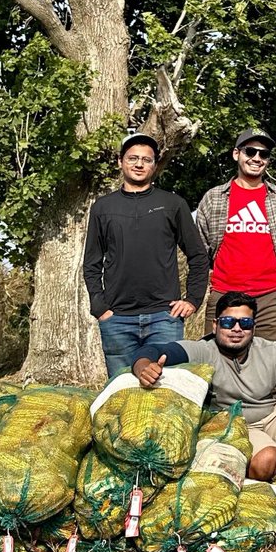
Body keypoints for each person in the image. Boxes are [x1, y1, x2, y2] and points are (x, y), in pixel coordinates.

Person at [130, 291, 276, 481]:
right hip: (234, 422)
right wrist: (144, 368)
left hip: (269, 413)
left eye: (245, 323)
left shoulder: (272, 352)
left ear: (253, 327)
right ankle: (258, 476)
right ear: (215, 325)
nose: (236, 329)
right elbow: (152, 351)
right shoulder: (203, 351)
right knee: (267, 458)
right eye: (227, 322)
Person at [83, 133, 209, 377]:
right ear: (120, 161)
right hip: (117, 319)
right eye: (133, 158)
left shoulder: (173, 204)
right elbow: (91, 263)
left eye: (146, 160)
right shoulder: (103, 207)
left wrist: (192, 300)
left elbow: (198, 256)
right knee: (120, 392)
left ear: (154, 165)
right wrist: (100, 307)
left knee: (165, 392)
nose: (139, 164)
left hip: (165, 317)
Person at [196, 127, 276, 346]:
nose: (256, 158)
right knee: (216, 364)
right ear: (237, 154)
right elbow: (202, 248)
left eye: (263, 154)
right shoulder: (213, 197)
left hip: (271, 298)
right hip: (225, 294)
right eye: (250, 151)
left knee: (271, 366)